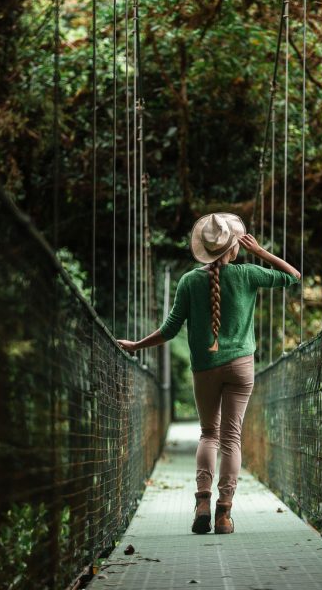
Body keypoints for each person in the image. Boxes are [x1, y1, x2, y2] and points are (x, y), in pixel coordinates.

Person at [117, 212, 301, 535]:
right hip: (242, 368)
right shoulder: (248, 274)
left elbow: (169, 331)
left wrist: (135, 346)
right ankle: (224, 514)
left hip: (205, 369)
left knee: (209, 434)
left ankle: (202, 502)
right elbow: (293, 276)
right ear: (234, 247)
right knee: (231, 439)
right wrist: (260, 252)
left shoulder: (189, 282)